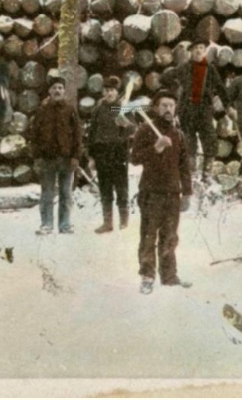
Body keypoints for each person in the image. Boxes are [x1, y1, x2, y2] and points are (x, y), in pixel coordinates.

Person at [131, 90, 194, 295]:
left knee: (170, 237)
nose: (168, 109)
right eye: (164, 105)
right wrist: (156, 148)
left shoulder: (178, 134)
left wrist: (187, 192)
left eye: (171, 106)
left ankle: (169, 276)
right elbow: (134, 158)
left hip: (172, 193)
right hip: (151, 193)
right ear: (156, 108)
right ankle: (147, 276)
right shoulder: (145, 130)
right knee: (149, 236)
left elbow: (184, 166)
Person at [159, 38, 229, 180]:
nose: (198, 50)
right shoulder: (184, 67)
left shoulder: (210, 69)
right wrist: (176, 89)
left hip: (204, 110)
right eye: (196, 48)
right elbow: (164, 79)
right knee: (188, 142)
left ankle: (206, 175)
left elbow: (221, 88)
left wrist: (228, 106)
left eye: (201, 48)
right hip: (187, 110)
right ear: (190, 51)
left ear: (205, 51)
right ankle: (191, 174)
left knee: (210, 139)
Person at [26, 76, 82, 235]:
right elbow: (34, 135)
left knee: (66, 193)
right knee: (47, 194)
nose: (57, 91)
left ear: (64, 91)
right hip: (47, 159)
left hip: (66, 159)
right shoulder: (42, 111)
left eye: (60, 88)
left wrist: (76, 156)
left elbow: (77, 135)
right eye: (54, 88)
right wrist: (37, 156)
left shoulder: (70, 110)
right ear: (49, 91)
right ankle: (47, 224)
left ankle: (65, 224)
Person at [87, 76, 136, 233]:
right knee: (105, 189)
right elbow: (92, 133)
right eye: (107, 90)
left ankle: (124, 222)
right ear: (103, 92)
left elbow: (133, 130)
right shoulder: (98, 109)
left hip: (118, 152)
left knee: (121, 188)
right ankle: (107, 223)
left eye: (112, 91)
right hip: (102, 153)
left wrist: (125, 124)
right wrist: (91, 156)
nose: (109, 93)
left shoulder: (120, 108)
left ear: (117, 92)